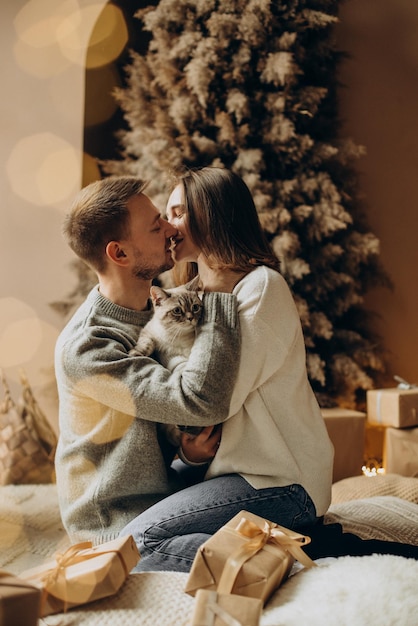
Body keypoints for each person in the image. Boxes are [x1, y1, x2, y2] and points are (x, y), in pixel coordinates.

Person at [122, 166, 418, 570]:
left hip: (281, 484)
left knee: (137, 545)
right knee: (130, 543)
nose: (168, 227)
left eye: (177, 213)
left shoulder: (260, 287)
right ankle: (286, 544)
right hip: (232, 478)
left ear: (211, 215)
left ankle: (295, 554)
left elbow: (211, 399)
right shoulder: (196, 296)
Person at [54, 176, 241, 545]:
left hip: (166, 498)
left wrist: (186, 455)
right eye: (157, 226)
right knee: (238, 549)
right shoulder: (88, 347)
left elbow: (159, 422)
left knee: (264, 510)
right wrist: (219, 292)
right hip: (117, 527)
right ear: (119, 254)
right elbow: (199, 402)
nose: (172, 229)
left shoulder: (156, 313)